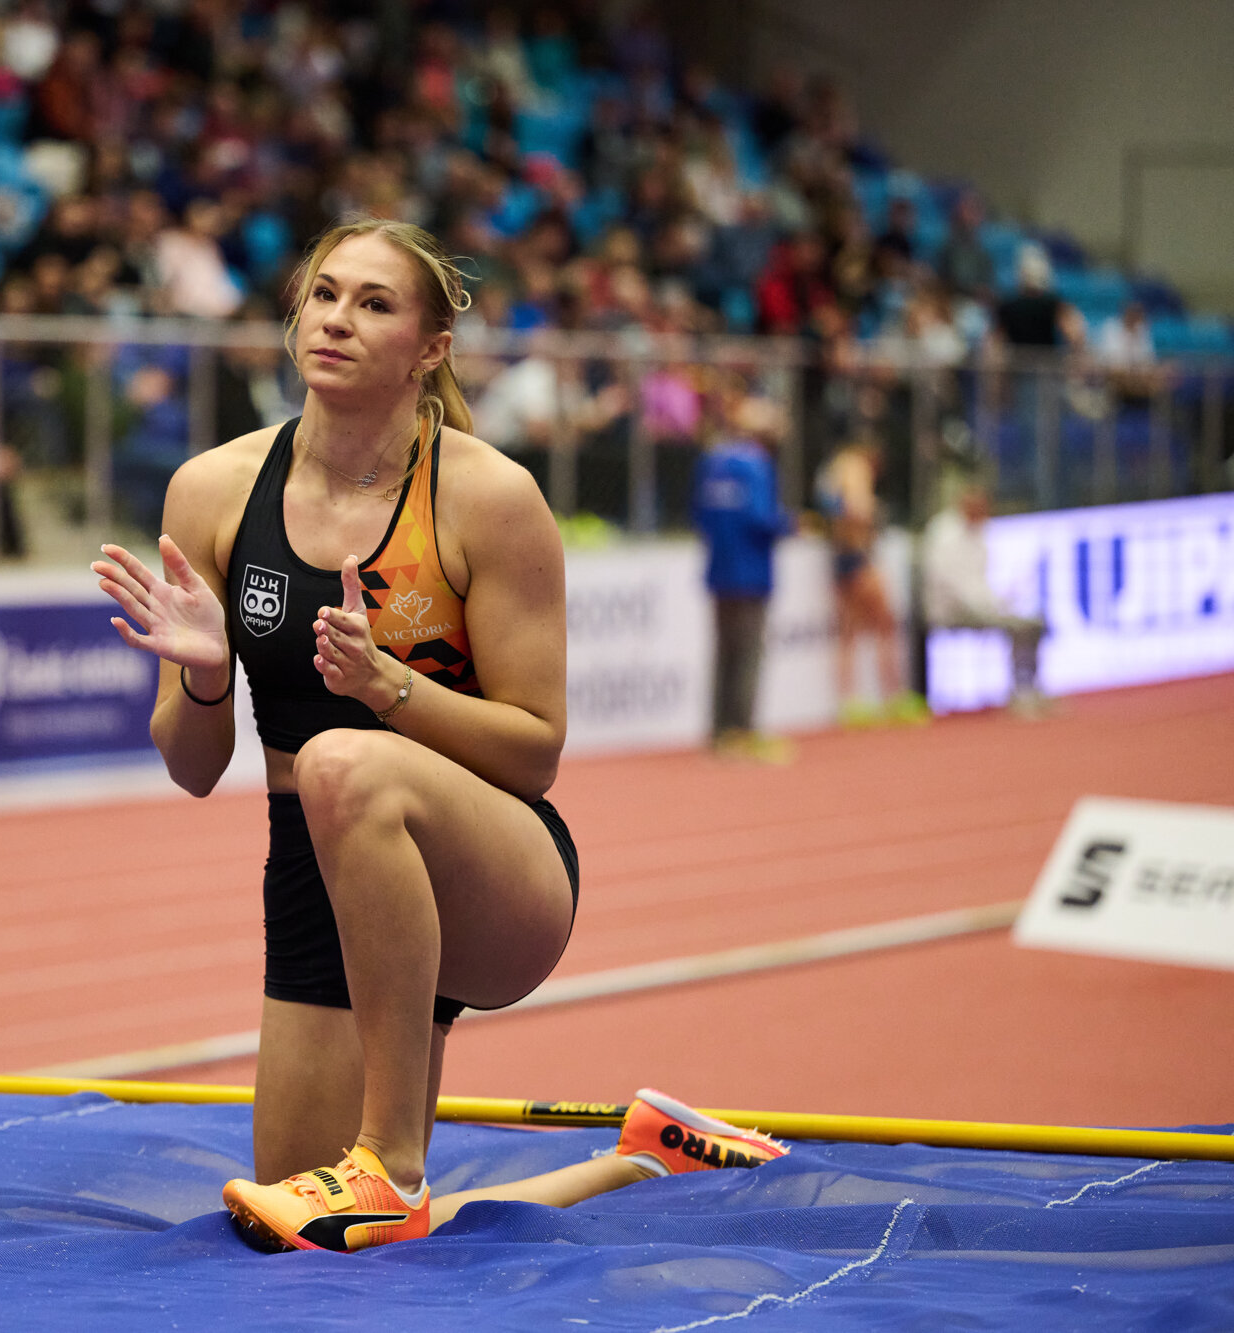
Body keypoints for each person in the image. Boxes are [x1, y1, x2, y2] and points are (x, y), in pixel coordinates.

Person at [91, 218, 785, 1255]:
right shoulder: (213, 490)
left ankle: (391, 1162)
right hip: (314, 867)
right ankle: (646, 1157)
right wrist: (203, 675)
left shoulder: (486, 497)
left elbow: (535, 750)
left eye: (374, 304)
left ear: (429, 349)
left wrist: (388, 689)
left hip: (485, 867)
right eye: (324, 295)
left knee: (341, 761)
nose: (337, 319)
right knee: (294, 1228)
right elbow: (194, 771)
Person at [692, 395, 798, 762]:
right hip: (751, 573)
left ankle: (720, 731)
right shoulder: (757, 465)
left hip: (719, 570)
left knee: (724, 653)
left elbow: (700, 515)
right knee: (748, 655)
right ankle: (743, 730)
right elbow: (760, 518)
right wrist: (791, 524)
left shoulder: (712, 460)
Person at [815, 438, 926, 726]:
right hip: (857, 556)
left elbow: (834, 507)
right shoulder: (855, 467)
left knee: (848, 631)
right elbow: (856, 508)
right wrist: (873, 513)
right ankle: (894, 696)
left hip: (841, 556)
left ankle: (849, 703)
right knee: (885, 624)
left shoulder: (835, 469)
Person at [922, 476, 1050, 717]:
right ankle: (1021, 692)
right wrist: (992, 607)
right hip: (949, 610)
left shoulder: (980, 533)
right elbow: (956, 588)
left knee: (1032, 622)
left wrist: (1001, 602)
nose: (986, 514)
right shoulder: (944, 534)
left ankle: (1029, 688)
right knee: (1016, 626)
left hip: (978, 607)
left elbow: (980, 583)